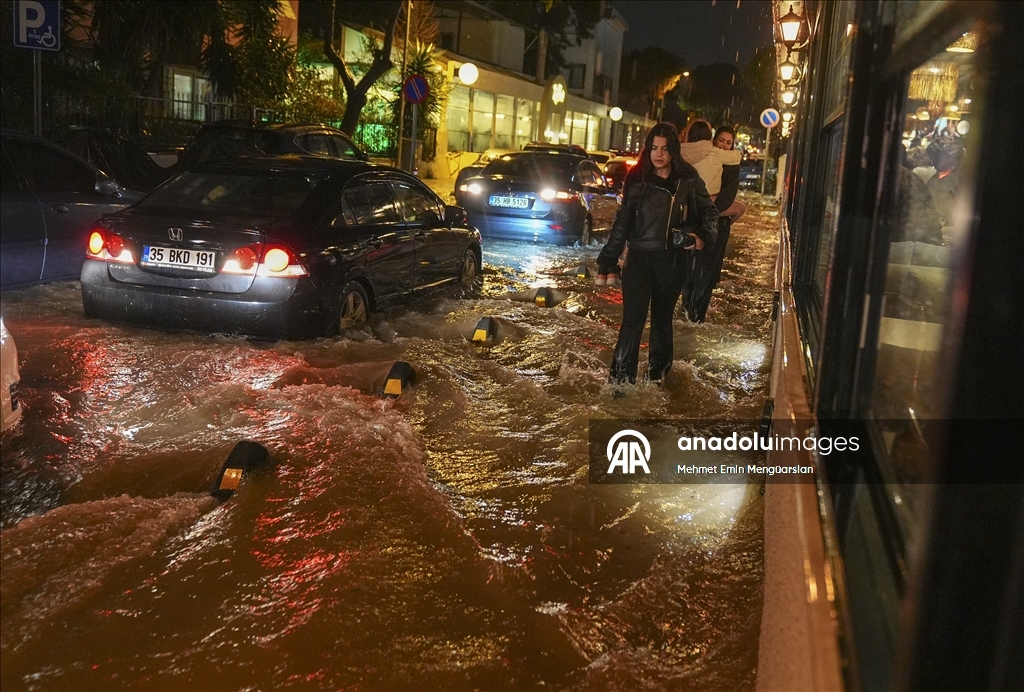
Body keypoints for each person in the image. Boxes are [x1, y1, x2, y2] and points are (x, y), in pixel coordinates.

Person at [597, 122, 719, 384]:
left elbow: (709, 211)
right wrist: (608, 257)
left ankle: (658, 381)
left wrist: (701, 237)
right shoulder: (636, 178)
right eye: (653, 148)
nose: (658, 154)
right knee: (632, 321)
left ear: (673, 150)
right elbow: (623, 222)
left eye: (664, 148)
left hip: (673, 262)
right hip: (639, 259)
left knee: (663, 320)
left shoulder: (687, 179)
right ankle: (620, 386)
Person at [679, 122, 742, 323]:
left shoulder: (682, 154)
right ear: (712, 140)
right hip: (710, 219)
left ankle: (690, 313)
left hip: (695, 217)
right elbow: (727, 198)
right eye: (721, 140)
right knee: (699, 271)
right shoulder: (717, 156)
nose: (724, 145)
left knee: (699, 270)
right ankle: (695, 317)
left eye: (728, 143)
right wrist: (712, 208)